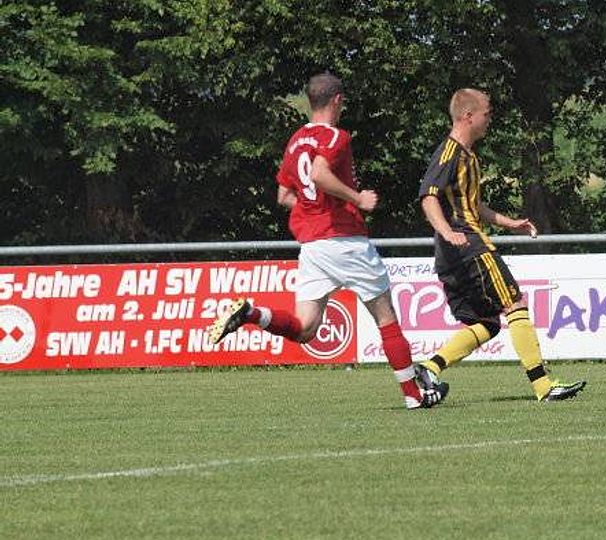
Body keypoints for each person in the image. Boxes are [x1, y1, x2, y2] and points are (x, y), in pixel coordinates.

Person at [206, 73, 447, 410]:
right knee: (386, 317)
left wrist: (314, 208)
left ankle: (251, 313)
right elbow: (319, 174)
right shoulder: (336, 136)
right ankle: (414, 395)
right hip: (344, 239)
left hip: (313, 246)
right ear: (337, 100)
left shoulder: (295, 141)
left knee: (305, 329)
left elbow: (283, 196)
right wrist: (357, 198)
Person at [416, 88, 586, 402]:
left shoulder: (468, 156)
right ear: (468, 116)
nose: (490, 118)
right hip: (469, 246)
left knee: (487, 323)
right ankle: (544, 387)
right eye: (487, 113)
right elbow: (428, 197)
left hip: (454, 252)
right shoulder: (450, 153)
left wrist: (511, 223)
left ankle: (430, 367)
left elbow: (475, 206)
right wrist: (448, 231)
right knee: (514, 303)